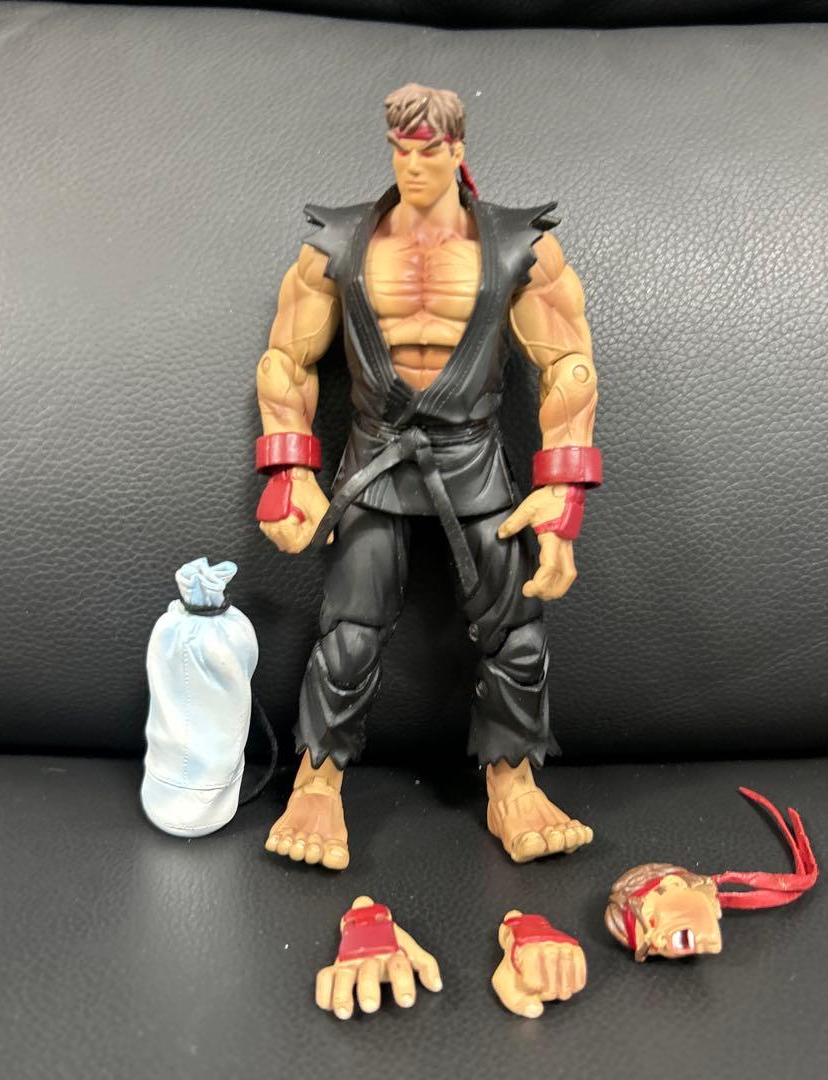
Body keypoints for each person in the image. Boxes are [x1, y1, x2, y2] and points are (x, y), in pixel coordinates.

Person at [254, 83, 603, 870]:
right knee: (349, 629)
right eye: (400, 152)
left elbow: (571, 368)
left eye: (429, 152)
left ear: (457, 151)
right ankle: (316, 783)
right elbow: (284, 363)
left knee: (516, 630)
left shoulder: (517, 248)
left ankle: (513, 784)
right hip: (374, 459)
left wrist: (562, 497)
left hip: (473, 459)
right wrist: (288, 471)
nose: (412, 167)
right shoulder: (338, 246)